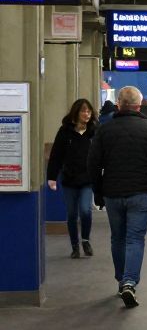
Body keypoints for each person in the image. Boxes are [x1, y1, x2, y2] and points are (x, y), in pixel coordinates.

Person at [87, 86, 147, 308]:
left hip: (113, 192)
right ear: (139, 105)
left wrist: (97, 193)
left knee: (118, 237)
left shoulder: (104, 130)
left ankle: (121, 280)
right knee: (135, 238)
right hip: (141, 192)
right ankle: (129, 282)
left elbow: (93, 165)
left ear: (118, 105)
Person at [46, 98, 97, 258]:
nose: (86, 114)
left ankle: (85, 240)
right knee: (71, 214)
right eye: (83, 111)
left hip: (87, 179)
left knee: (85, 210)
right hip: (69, 179)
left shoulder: (94, 131)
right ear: (76, 113)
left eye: (89, 111)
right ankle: (75, 245)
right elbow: (56, 156)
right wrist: (52, 177)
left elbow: (101, 153)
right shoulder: (65, 131)